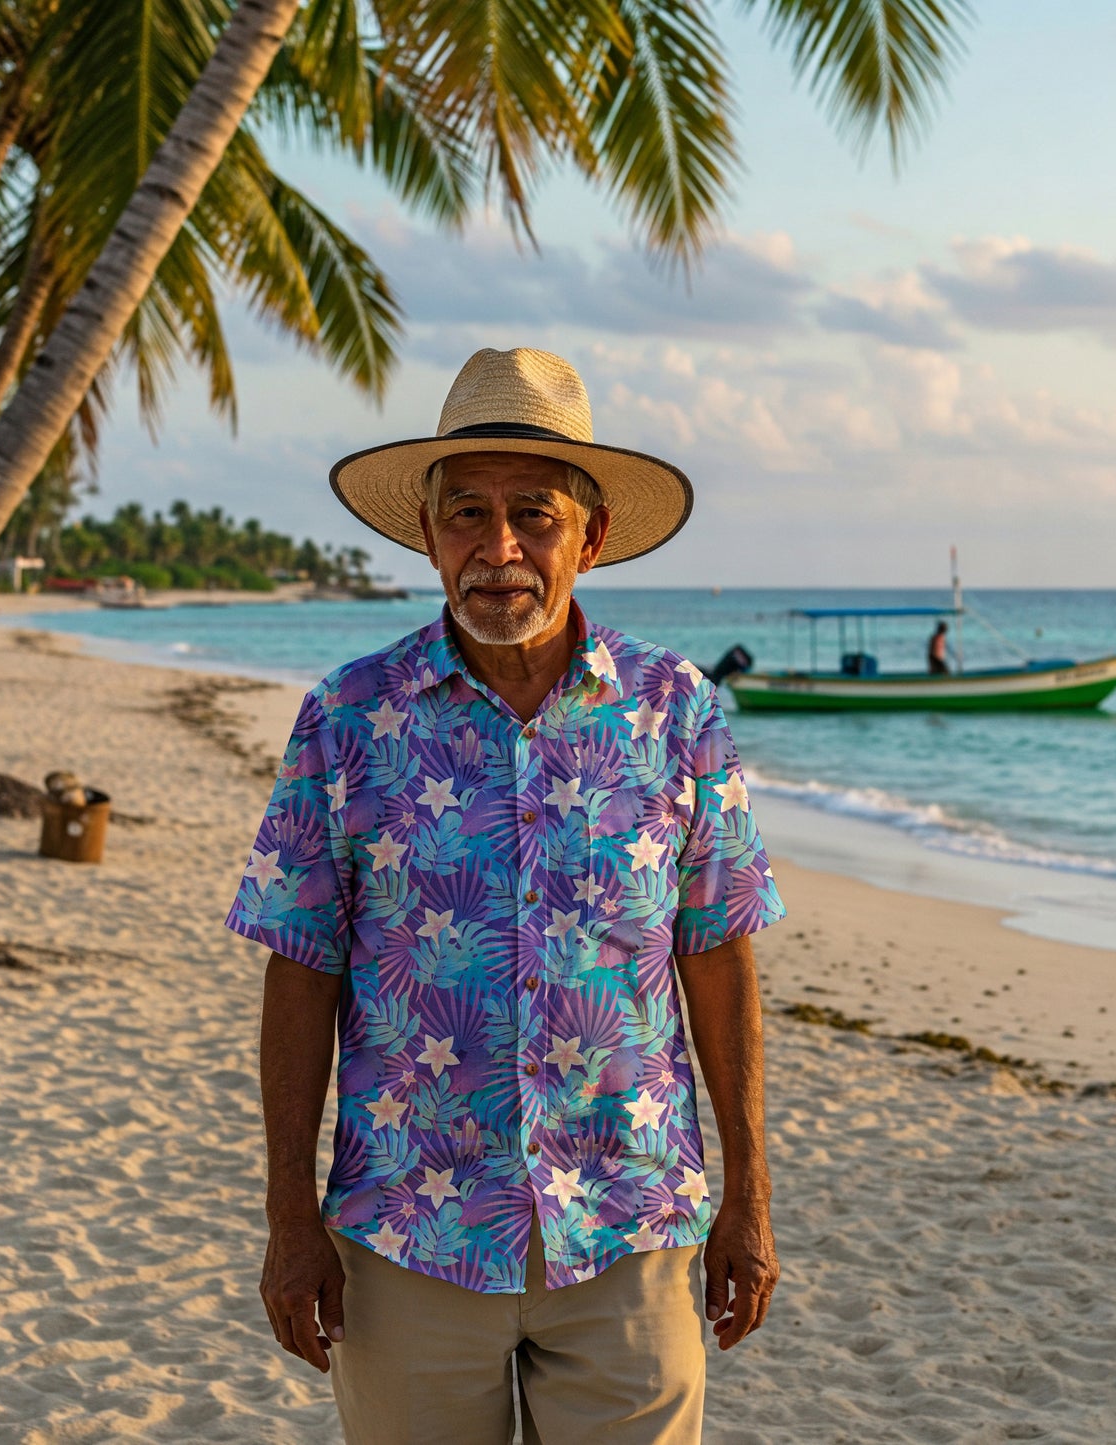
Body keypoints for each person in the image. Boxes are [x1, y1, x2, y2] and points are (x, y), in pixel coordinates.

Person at [227, 348, 786, 1444]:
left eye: (532, 514)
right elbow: (300, 968)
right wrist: (287, 1213)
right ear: (426, 533)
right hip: (406, 1233)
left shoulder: (676, 711)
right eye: (465, 515)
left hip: (629, 1225)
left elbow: (715, 953)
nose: (498, 550)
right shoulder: (348, 718)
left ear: (592, 535)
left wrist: (750, 1195)